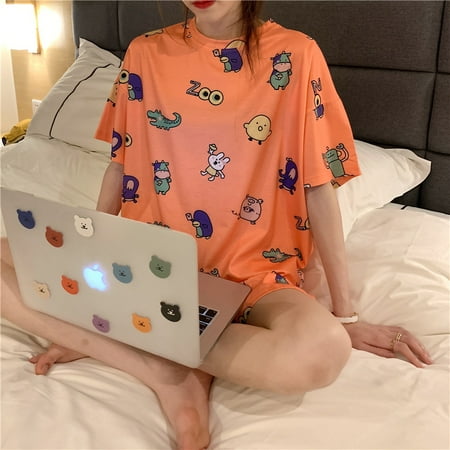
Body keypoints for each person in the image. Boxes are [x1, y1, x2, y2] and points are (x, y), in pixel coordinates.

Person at [1, 1, 433, 449]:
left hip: (258, 275)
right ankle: (162, 369)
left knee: (322, 351)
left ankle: (136, 341)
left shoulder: (296, 54)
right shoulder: (145, 52)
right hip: (148, 264)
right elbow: (120, 165)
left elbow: (318, 187)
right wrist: (93, 257)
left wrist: (344, 316)